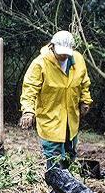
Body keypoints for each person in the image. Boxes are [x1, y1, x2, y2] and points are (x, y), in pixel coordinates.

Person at [18, 30, 93, 170]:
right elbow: (29, 89)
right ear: (52, 47)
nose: (64, 55)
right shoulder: (40, 64)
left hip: (71, 118)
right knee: (54, 156)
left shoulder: (78, 61)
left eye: (67, 52)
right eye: (61, 52)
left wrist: (85, 101)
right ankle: (55, 186)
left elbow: (84, 83)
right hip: (50, 118)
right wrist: (28, 111)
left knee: (70, 154)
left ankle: (68, 183)